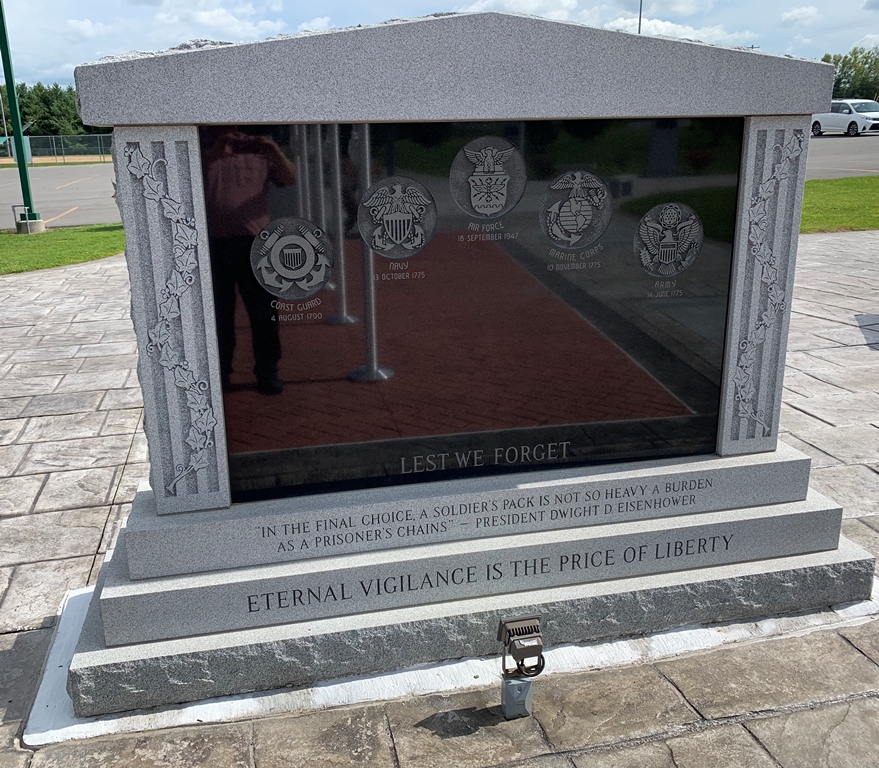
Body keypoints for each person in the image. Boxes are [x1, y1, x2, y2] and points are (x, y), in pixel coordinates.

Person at [202, 127, 297, 394]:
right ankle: (220, 374)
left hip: (256, 243)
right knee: (218, 315)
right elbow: (181, 180)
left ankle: (268, 372)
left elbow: (289, 179)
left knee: (264, 314)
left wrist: (274, 151)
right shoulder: (202, 146)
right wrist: (213, 154)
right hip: (212, 243)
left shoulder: (260, 149)